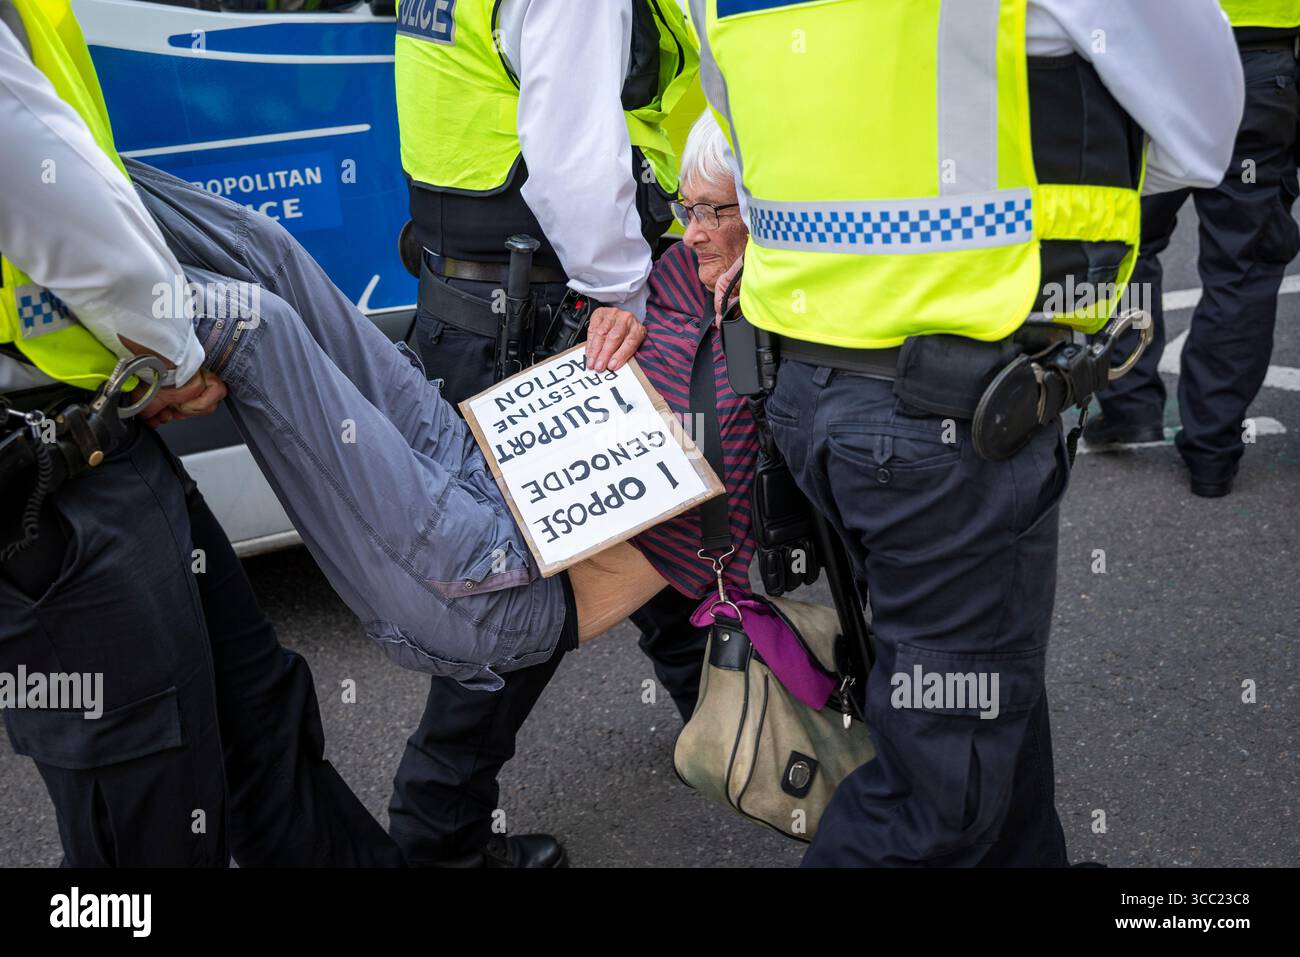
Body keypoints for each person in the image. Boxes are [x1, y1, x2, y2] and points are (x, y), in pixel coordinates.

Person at [690, 0, 1243, 866]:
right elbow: (1203, 133)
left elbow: (737, 145)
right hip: (944, 425)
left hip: (807, 387)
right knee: (937, 800)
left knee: (976, 690)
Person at [0, 0, 402, 866]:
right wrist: (171, 352)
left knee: (253, 704)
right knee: (141, 794)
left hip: (95, 437)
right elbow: (29, 164)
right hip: (45, 470)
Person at [391, 0, 707, 867]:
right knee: (528, 591)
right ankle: (434, 836)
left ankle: (722, 723)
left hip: (474, 306)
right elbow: (572, 160)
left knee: (658, 515)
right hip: (551, 317)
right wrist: (629, 304)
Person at [1085, 1, 1300, 498]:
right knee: (1242, 270)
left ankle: (1131, 407)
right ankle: (1213, 453)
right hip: (1259, 67)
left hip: (1150, 62)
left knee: (1128, 242)